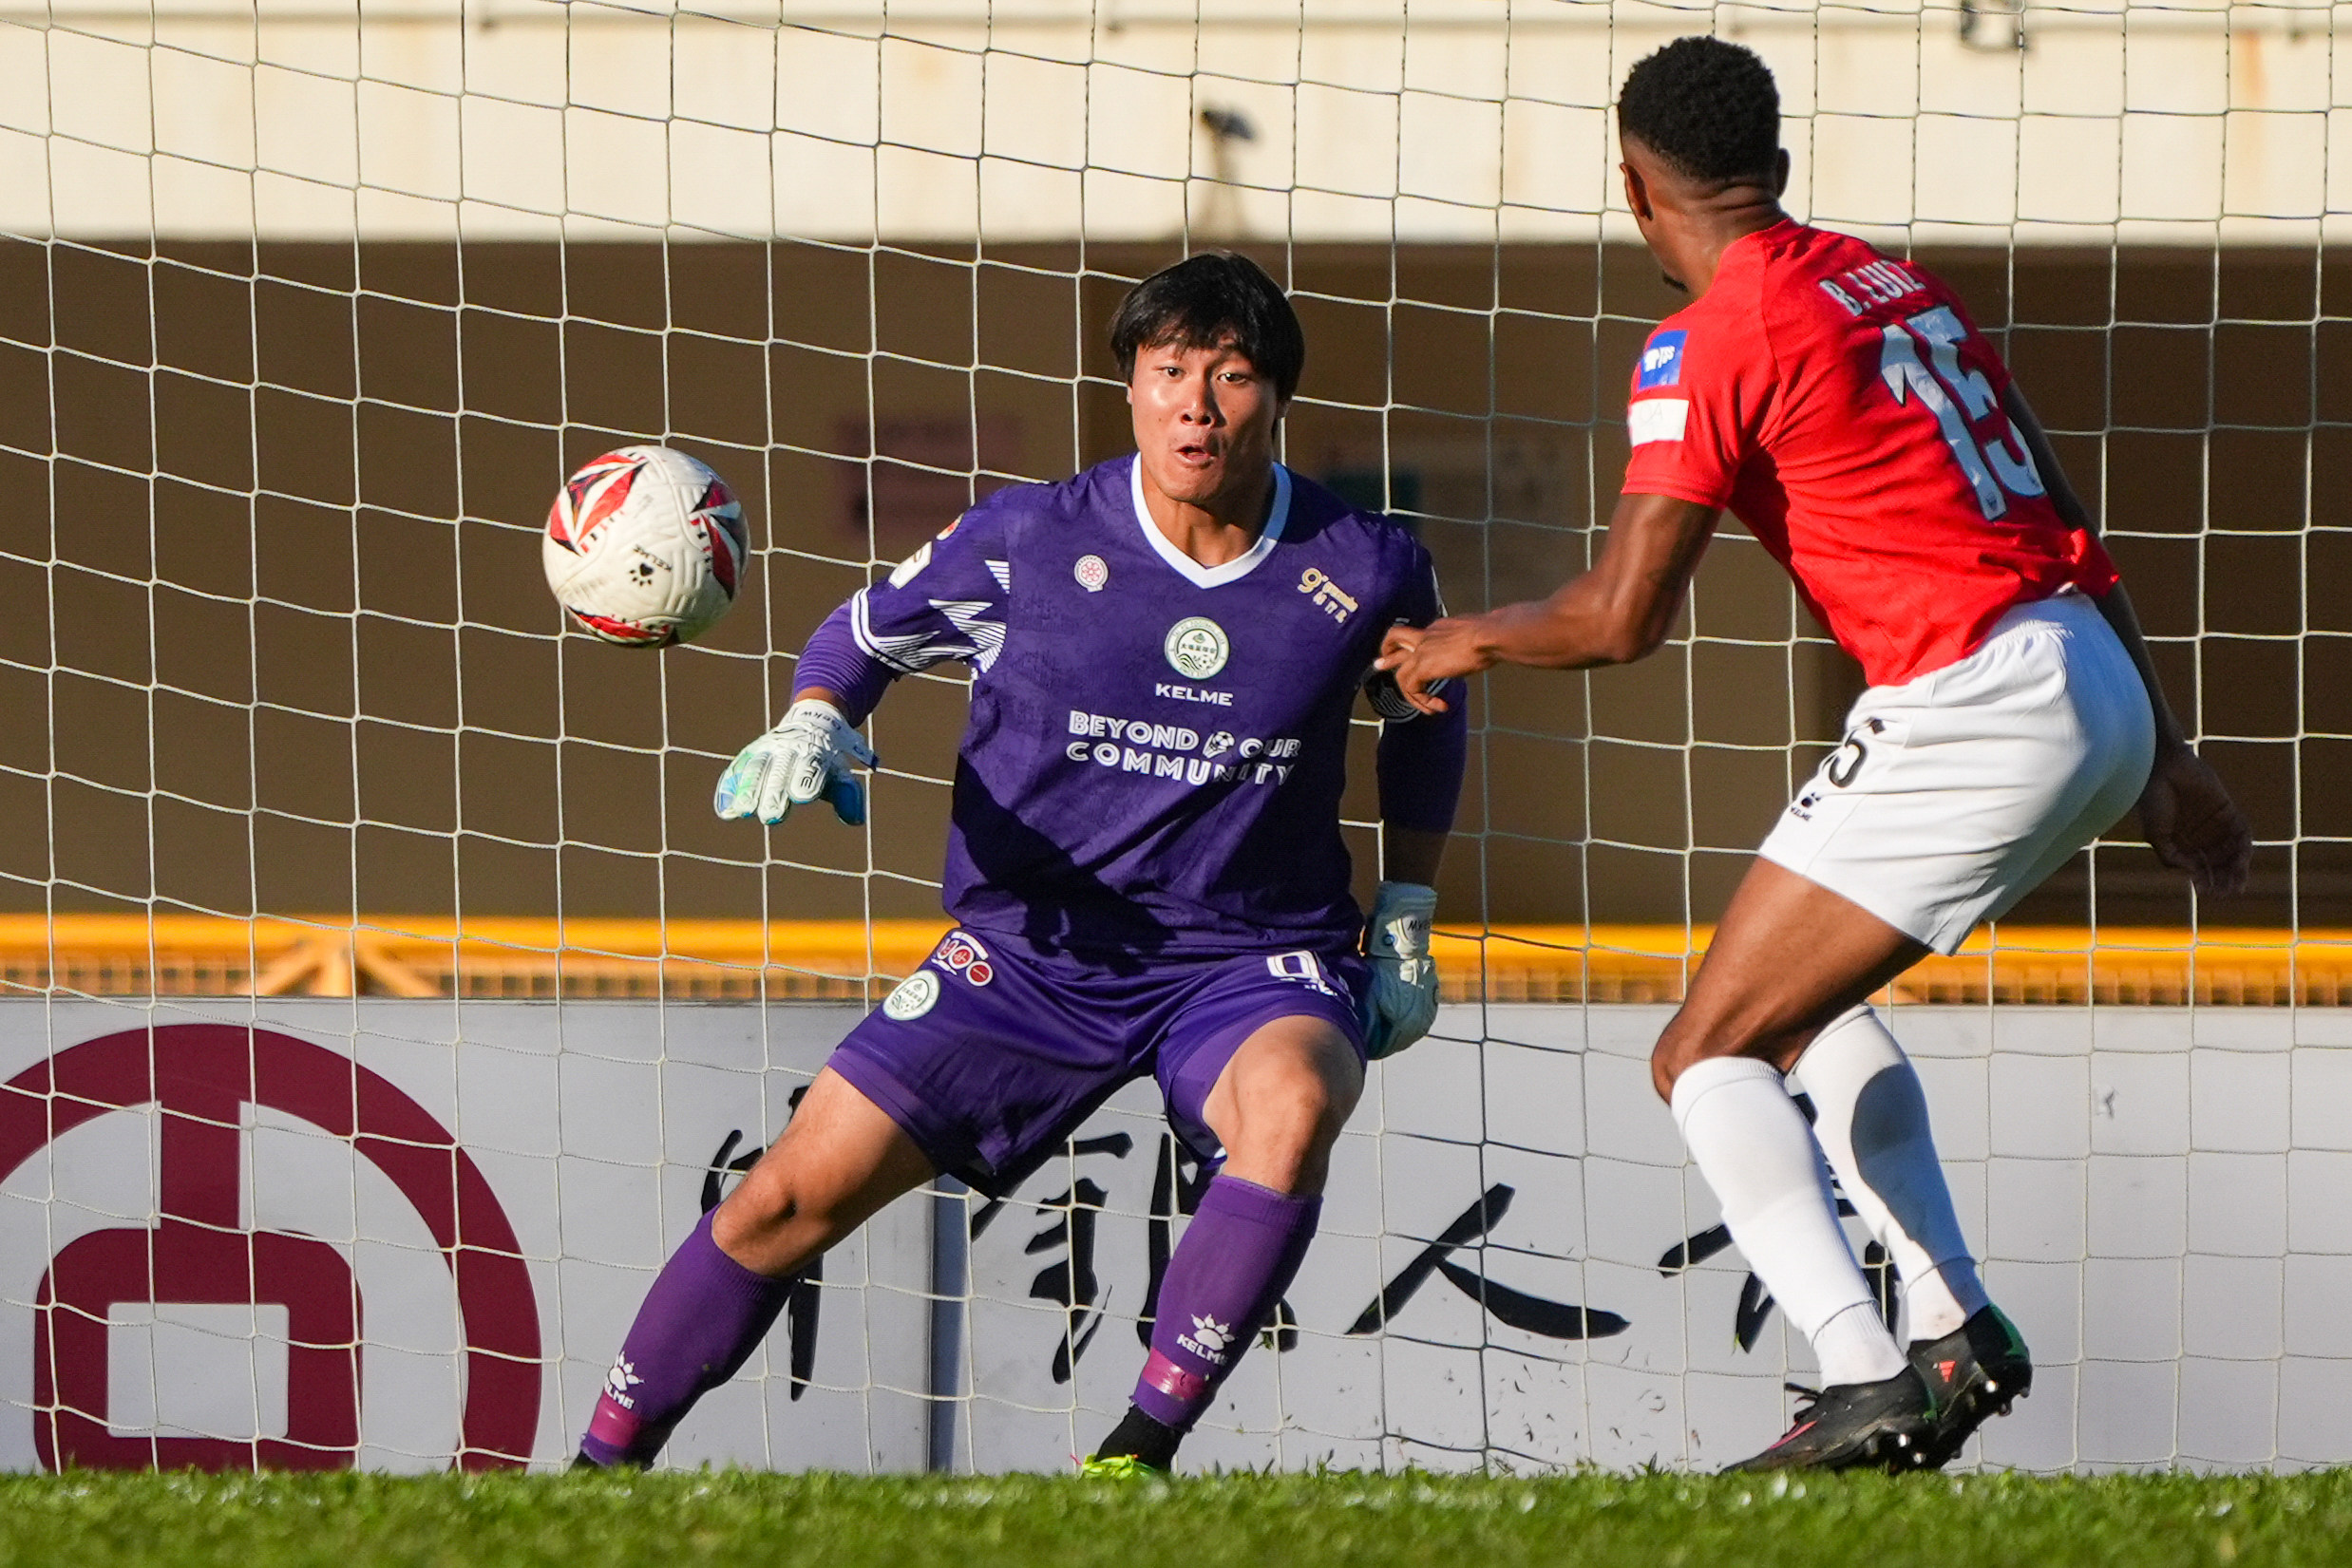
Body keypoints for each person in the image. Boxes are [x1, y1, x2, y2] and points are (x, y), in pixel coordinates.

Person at [1376, 36, 2251, 1474]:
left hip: (1970, 695)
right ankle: (1956, 1326)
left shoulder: (1709, 334)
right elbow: (2061, 511)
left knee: (1698, 1050)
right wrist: (2169, 753)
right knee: (1793, 1014)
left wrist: (1460, 639)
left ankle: (1863, 1375)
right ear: (1773, 172)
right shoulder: (1886, 278)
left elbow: (1621, 619)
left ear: (1634, 187)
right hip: (2082, 674)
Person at [574, 252, 1466, 1476]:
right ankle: (597, 1474)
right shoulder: (1029, 538)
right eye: (1168, 373)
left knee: (1295, 1106)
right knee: (785, 1199)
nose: (1196, 403)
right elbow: (864, 630)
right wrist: (819, 718)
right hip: (1033, 955)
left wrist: (1408, 905)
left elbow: (1429, 716)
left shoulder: (1366, 563)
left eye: (1232, 375)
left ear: (1277, 400)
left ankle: (1133, 1459)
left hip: (1251, 957)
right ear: (1132, 388)